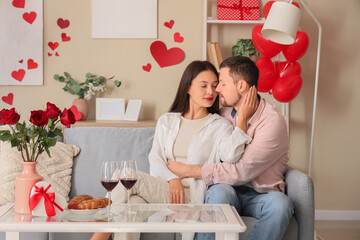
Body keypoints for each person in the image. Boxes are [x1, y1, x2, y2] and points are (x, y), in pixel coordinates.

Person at [91, 60, 258, 240]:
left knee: (126, 174)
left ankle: (97, 237)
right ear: (187, 88)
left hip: (189, 197)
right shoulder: (167, 120)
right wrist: (173, 179)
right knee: (131, 205)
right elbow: (155, 159)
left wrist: (242, 120)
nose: (211, 91)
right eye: (204, 85)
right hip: (163, 190)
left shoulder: (219, 125)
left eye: (215, 86)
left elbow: (231, 155)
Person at [167, 56, 294, 240]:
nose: (217, 89)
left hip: (260, 196)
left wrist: (189, 170)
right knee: (219, 191)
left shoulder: (272, 123)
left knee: (281, 204)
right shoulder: (223, 114)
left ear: (241, 86)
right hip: (227, 190)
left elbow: (241, 171)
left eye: (223, 83)